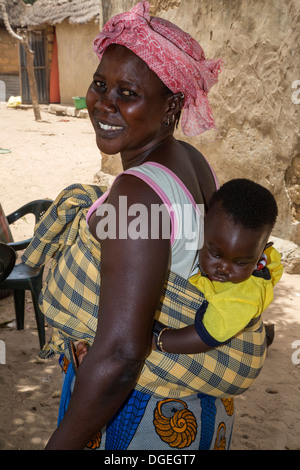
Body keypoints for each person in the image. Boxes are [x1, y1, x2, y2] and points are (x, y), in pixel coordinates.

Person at [22, 1, 266, 450]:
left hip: (141, 419)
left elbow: (121, 353)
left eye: (128, 93)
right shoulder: (193, 164)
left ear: (171, 105)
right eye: (100, 84)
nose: (104, 104)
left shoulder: (137, 193)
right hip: (195, 415)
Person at [151, 178, 283, 355]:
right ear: (201, 229)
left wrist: (158, 339)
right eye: (216, 254)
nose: (224, 268)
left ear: (261, 252)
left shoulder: (239, 297)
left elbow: (206, 336)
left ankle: (264, 336)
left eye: (241, 263)